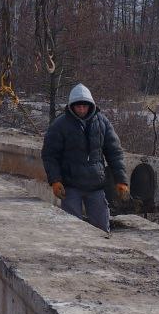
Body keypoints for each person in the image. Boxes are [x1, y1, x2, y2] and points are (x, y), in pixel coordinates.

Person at [41, 83, 129, 233]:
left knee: (102, 228)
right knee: (73, 229)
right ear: (72, 106)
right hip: (71, 185)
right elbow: (50, 155)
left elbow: (114, 152)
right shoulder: (60, 125)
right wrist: (55, 180)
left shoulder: (102, 123)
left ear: (90, 105)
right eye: (78, 106)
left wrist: (121, 180)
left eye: (84, 106)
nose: (81, 110)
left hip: (96, 185)